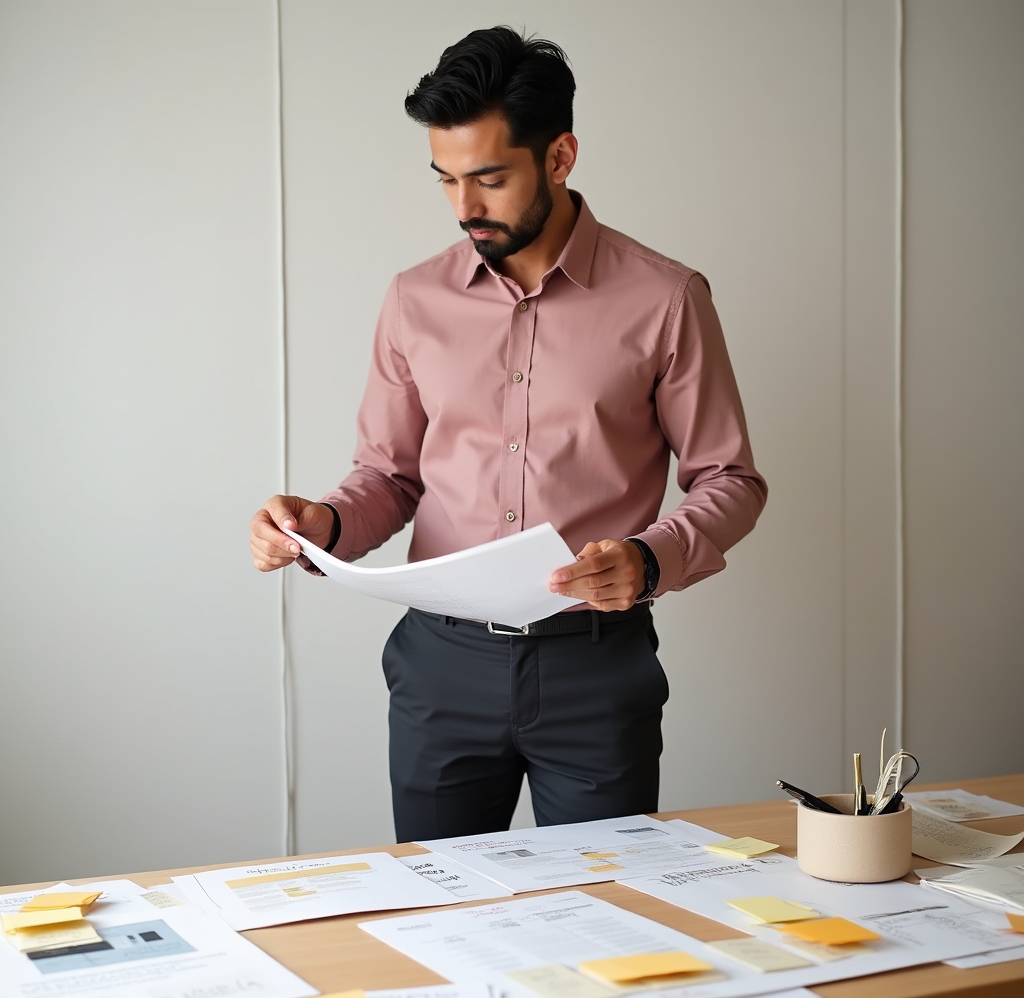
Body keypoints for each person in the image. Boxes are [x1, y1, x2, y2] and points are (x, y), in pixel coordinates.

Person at [249, 26, 767, 843]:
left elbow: (730, 479)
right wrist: (327, 524)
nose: (464, 207)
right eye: (446, 179)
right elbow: (389, 475)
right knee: (440, 917)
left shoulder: (667, 299)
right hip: (440, 668)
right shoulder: (413, 301)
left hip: (595, 667)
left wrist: (649, 558)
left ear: (559, 158)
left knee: (606, 924)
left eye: (489, 178)